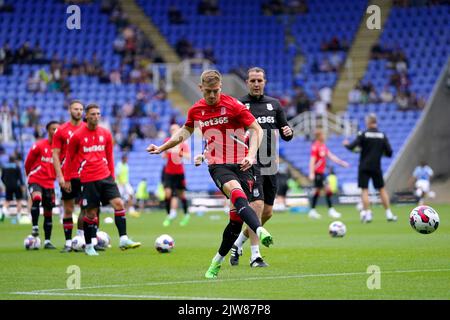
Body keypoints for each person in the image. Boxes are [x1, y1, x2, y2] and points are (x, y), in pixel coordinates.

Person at [147, 70, 272, 279]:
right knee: (235, 191)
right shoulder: (196, 110)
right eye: (208, 92)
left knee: (235, 221)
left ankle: (216, 261)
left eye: (215, 91)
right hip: (218, 165)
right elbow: (184, 132)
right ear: (200, 89)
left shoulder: (233, 105)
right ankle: (259, 230)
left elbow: (256, 129)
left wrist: (251, 155)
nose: (212, 96)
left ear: (220, 87)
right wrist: (163, 147)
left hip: (243, 164)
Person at [229, 67, 293, 268]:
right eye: (252, 81)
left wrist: (288, 131)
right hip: (250, 164)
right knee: (256, 208)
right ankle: (255, 256)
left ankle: (238, 243)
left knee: (267, 212)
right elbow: (230, 133)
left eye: (259, 80)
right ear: (247, 82)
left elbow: (285, 133)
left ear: (265, 82)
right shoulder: (240, 105)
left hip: (270, 163)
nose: (256, 84)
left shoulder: (274, 105)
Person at [65, 104, 141, 256]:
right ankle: (88, 246)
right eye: (92, 114)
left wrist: (112, 175)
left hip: (105, 176)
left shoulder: (105, 134)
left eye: (98, 114)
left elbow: (109, 156)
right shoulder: (77, 136)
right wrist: (67, 179)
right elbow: (69, 158)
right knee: (91, 213)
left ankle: (124, 239)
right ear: (86, 116)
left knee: (119, 204)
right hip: (88, 178)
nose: (96, 116)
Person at [52, 100, 91, 253]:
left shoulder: (87, 128)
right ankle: (68, 242)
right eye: (76, 109)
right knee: (68, 209)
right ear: (70, 110)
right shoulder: (61, 130)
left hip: (85, 175)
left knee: (86, 208)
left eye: (81, 109)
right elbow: (55, 155)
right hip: (68, 175)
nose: (79, 112)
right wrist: (60, 176)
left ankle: (80, 238)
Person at [343, 113, 397, 223]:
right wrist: (379, 153)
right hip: (376, 166)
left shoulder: (363, 134)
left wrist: (346, 144)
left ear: (368, 122)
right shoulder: (382, 135)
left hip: (364, 166)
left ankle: (368, 214)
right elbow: (390, 153)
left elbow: (352, 147)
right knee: (381, 189)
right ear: (376, 122)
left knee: (364, 190)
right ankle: (389, 214)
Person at [24, 121, 60, 249]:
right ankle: (34, 227)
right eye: (53, 129)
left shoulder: (61, 149)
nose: (55, 131)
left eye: (57, 129)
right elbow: (28, 162)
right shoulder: (39, 145)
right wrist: (30, 176)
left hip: (50, 183)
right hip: (36, 179)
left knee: (48, 212)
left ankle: (47, 241)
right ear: (48, 131)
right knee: (37, 198)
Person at [308, 129, 349, 219]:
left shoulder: (323, 146)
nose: (324, 136)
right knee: (327, 189)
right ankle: (330, 210)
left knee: (318, 191)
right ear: (319, 136)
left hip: (321, 173)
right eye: (323, 135)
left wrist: (342, 163)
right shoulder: (315, 146)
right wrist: (311, 173)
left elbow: (331, 156)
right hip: (317, 172)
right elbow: (312, 160)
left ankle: (312, 210)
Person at [161, 123, 191, 227]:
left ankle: (186, 214)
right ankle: (169, 214)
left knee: (181, 194)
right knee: (167, 194)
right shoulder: (167, 141)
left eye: (176, 130)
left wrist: (179, 152)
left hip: (179, 173)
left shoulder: (183, 143)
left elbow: (188, 156)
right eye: (172, 130)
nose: (173, 131)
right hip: (169, 172)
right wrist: (166, 152)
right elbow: (163, 156)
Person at [1, 155, 25, 219]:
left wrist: (5, 184)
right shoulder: (17, 167)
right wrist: (22, 186)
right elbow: (20, 178)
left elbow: (2, 177)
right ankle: (19, 215)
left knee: (7, 200)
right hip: (16, 186)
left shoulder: (4, 167)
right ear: (14, 160)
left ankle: (3, 210)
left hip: (8, 186)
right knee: (18, 200)